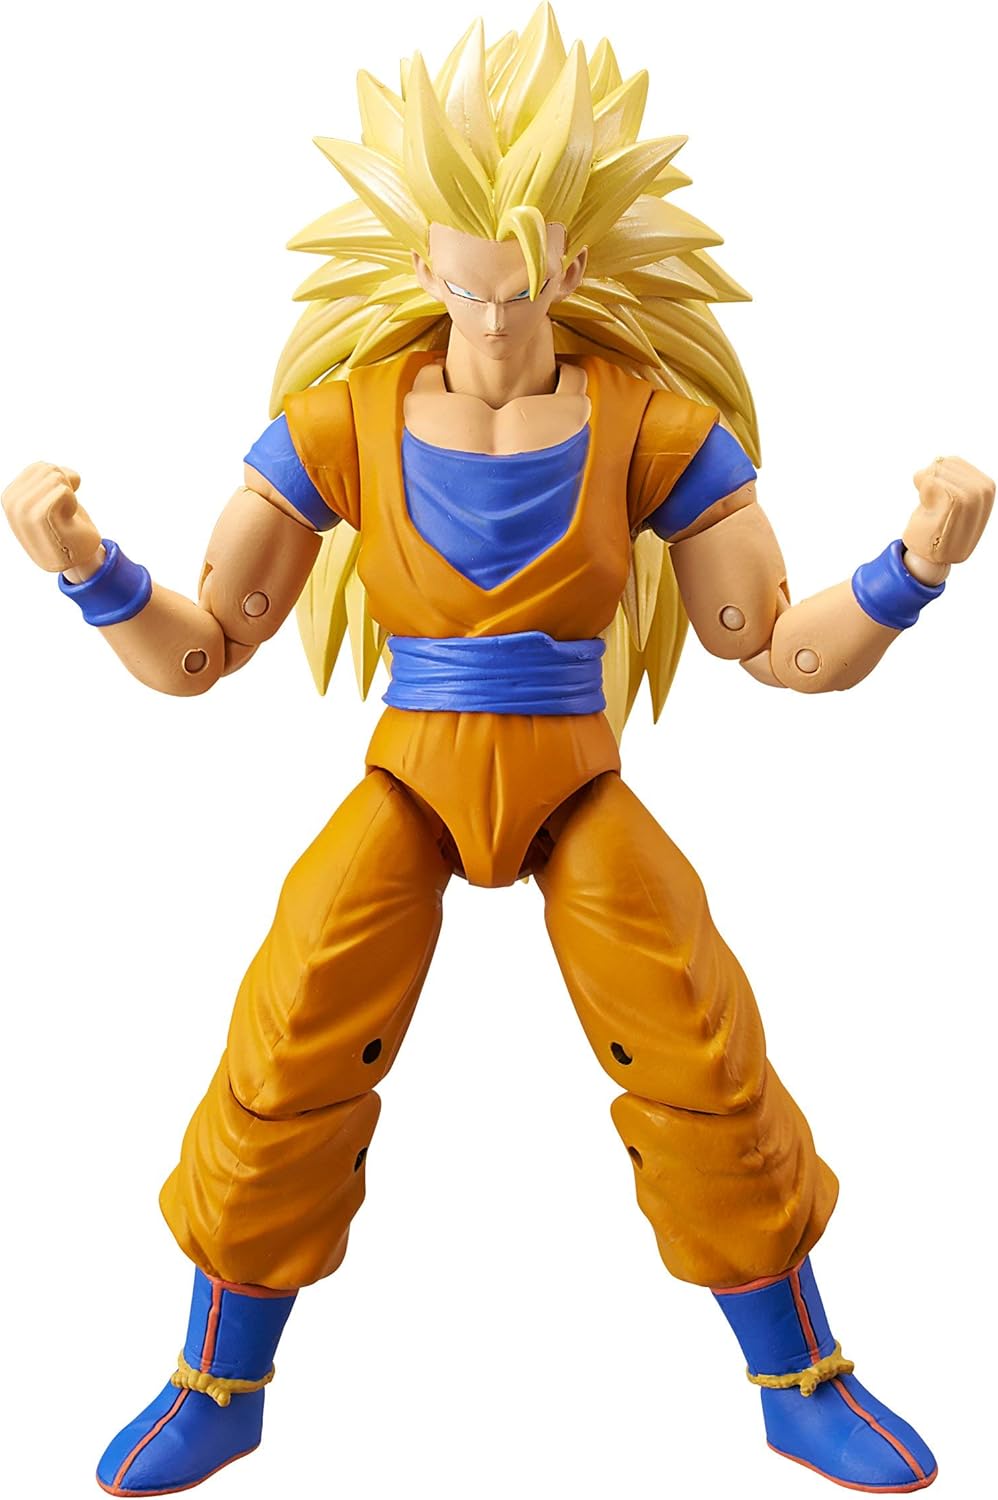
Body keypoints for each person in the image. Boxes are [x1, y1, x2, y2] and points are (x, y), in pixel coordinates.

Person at [2, 7, 992, 1496]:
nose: (488, 318)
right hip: (409, 772)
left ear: (573, 269)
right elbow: (201, 651)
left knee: (696, 1038)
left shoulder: (653, 425)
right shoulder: (336, 422)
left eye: (516, 288)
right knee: (293, 1029)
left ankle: (799, 1377)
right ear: (416, 264)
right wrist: (87, 567)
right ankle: (218, 1377)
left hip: (574, 775)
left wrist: (913, 566)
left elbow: (779, 647)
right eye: (462, 286)